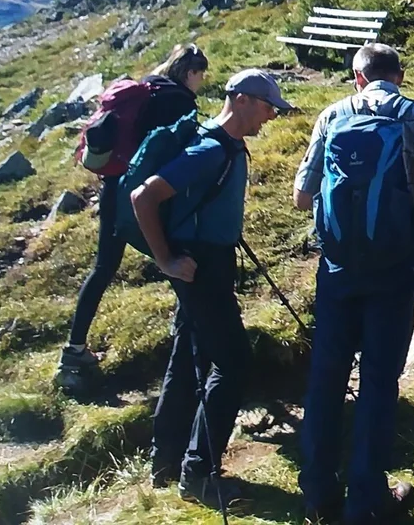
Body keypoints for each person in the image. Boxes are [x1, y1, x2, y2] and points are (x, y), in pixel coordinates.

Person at [293, 43, 414, 524]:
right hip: (394, 267)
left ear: (356, 77)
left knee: (326, 376)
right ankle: (366, 501)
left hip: (337, 268)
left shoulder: (332, 114)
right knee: (379, 381)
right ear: (399, 76)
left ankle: (317, 493)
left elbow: (301, 195)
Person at [129, 68, 292, 510]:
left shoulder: (227, 145)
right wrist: (165, 260)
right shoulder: (208, 148)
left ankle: (165, 458)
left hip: (207, 258)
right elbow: (143, 197)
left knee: (188, 355)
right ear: (240, 100)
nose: (271, 117)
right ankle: (198, 474)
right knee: (232, 361)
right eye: (267, 107)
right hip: (198, 267)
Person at [56, 43, 209, 393]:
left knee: (103, 268)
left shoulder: (147, 86)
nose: (202, 81)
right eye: (201, 74)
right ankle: (196, 342)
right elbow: (174, 154)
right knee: (176, 261)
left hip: (113, 190)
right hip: (146, 196)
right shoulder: (179, 100)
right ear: (190, 72)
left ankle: (74, 349)